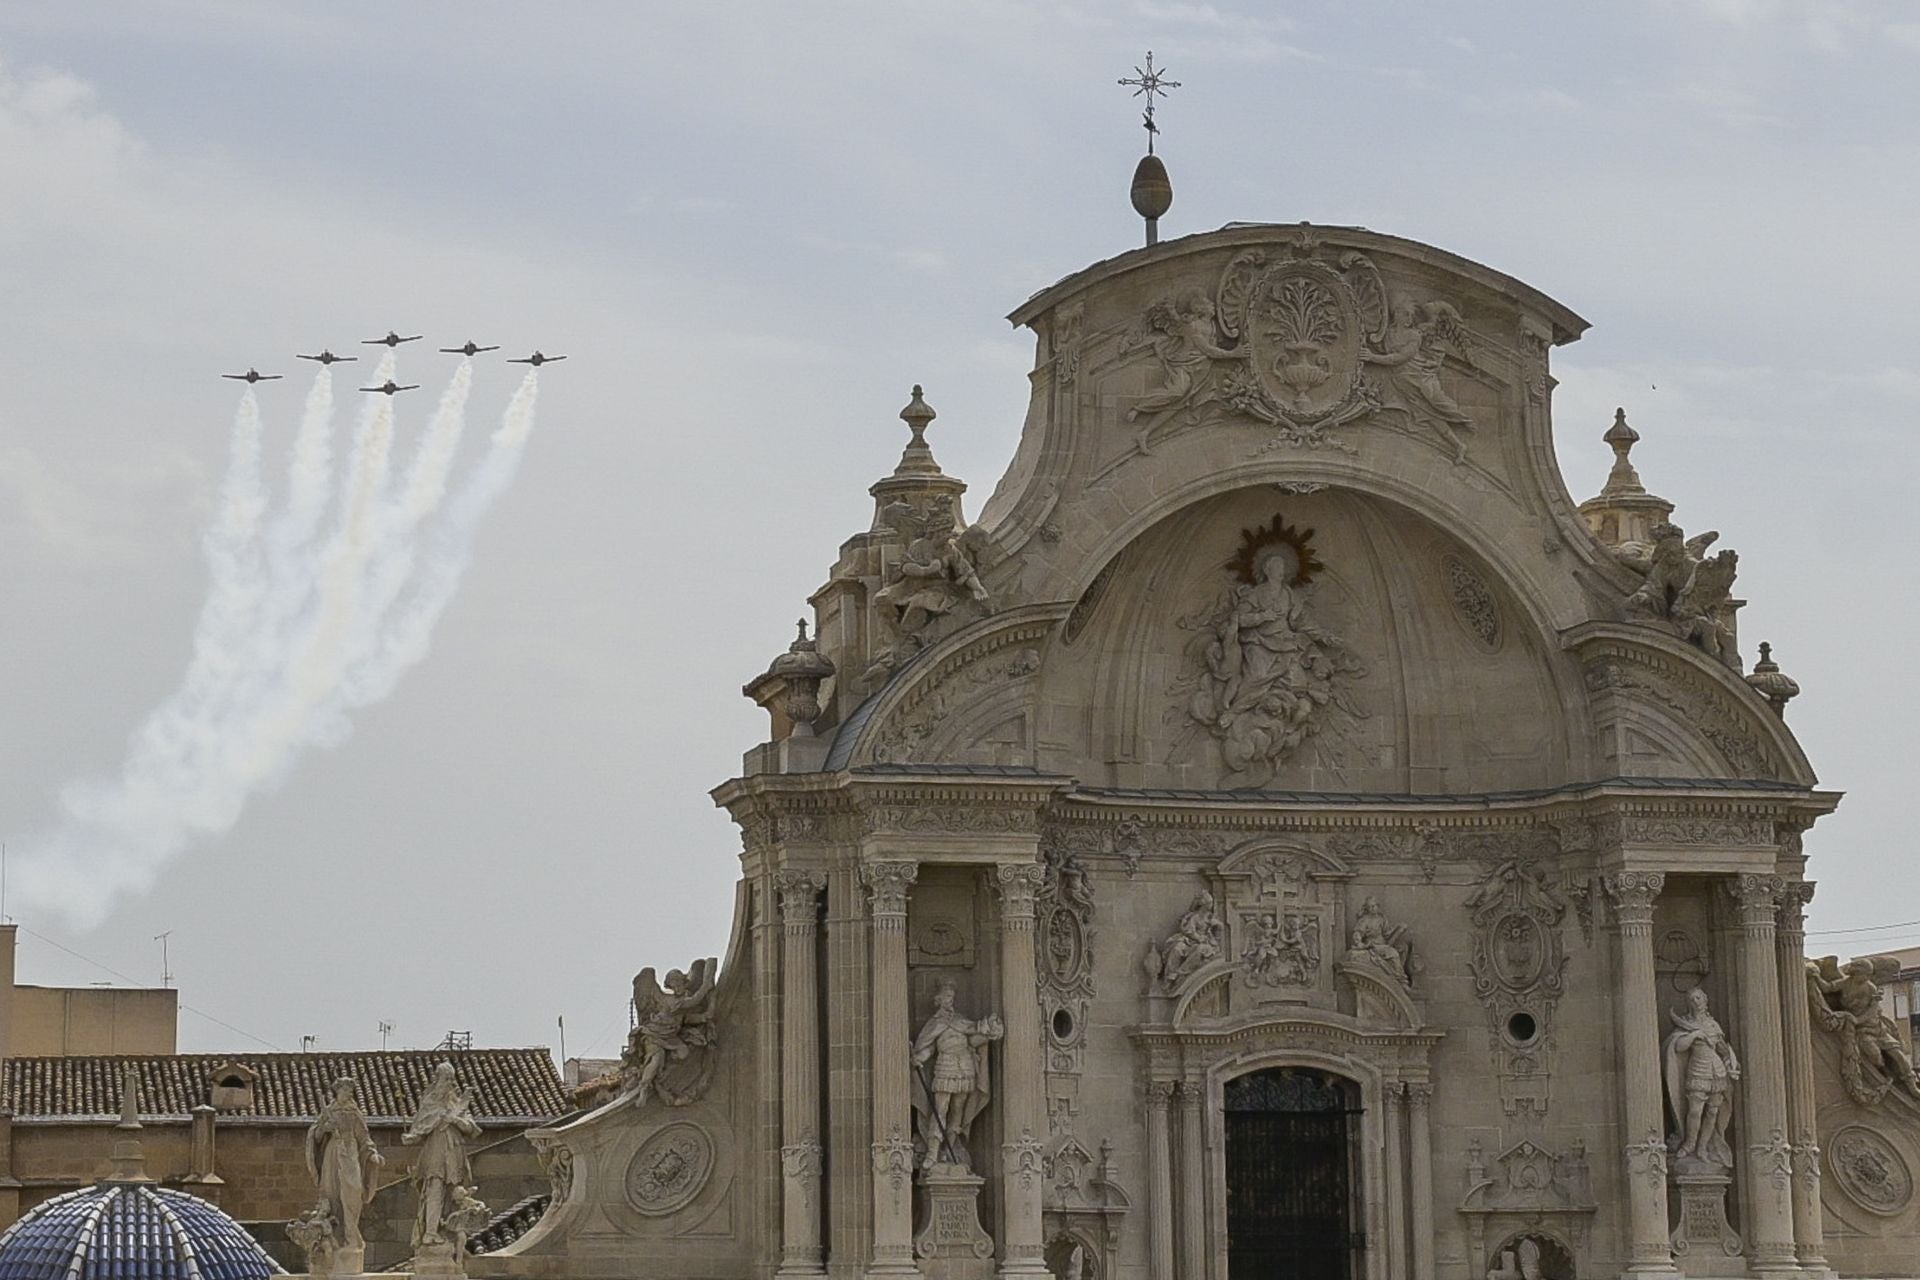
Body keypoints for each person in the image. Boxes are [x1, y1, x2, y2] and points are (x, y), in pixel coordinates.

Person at [911, 980, 1003, 1170]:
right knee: (940, 1109)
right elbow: (928, 1048)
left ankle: (949, 1148)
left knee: (958, 1109)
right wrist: (919, 1057)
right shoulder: (935, 1023)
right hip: (945, 1066)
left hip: (965, 1068)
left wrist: (989, 1028)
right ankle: (932, 1152)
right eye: (946, 997)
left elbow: (974, 1032)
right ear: (938, 1000)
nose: (949, 1000)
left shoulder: (960, 1019)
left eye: (951, 997)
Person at [404, 1062, 483, 1246]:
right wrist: (410, 1137)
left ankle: (449, 1231)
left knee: (454, 1192)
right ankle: (430, 1232)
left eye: (451, 1079)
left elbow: (471, 1127)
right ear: (437, 1080)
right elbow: (419, 1128)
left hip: (454, 1150)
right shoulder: (429, 1101)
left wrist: (454, 1120)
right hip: (436, 1152)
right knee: (435, 1189)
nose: (450, 1083)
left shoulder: (456, 1101)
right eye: (446, 1078)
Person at [305, 1077, 384, 1256]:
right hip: (332, 1154)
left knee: (353, 1192)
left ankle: (351, 1235)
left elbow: (364, 1138)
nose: (350, 1093)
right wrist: (324, 1128)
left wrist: (372, 1154)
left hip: (350, 1155)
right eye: (347, 1089)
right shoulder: (329, 1110)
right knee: (331, 1194)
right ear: (338, 1090)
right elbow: (316, 1137)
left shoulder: (354, 1113)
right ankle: (335, 1237)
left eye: (351, 1090)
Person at [1663, 987, 1740, 1167]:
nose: (1696, 1001)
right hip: (1697, 1068)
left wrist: (1730, 1063)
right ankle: (1689, 1143)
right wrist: (1695, 1035)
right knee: (1695, 1110)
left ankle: (1703, 1147)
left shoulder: (1713, 1025)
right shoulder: (1686, 1024)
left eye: (1698, 998)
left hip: (1717, 1069)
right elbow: (1678, 1047)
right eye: (1692, 999)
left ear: (1705, 1000)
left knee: (1712, 1111)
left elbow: (1722, 1049)